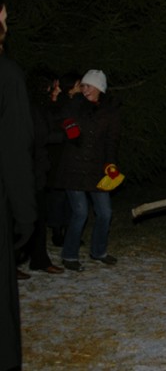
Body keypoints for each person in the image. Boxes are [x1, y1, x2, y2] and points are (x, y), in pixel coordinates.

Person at [55, 69, 122, 271]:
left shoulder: (110, 112)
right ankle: (69, 255)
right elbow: (60, 116)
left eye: (88, 86)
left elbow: (112, 141)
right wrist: (68, 125)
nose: (84, 89)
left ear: (99, 88)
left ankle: (98, 251)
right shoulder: (74, 105)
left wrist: (110, 164)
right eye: (83, 85)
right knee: (80, 212)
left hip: (96, 168)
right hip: (73, 168)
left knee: (105, 213)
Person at [0, 2, 36, 371]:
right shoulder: (7, 75)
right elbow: (15, 147)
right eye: (5, 18)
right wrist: (25, 215)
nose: (7, 24)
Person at [18, 70, 65, 275]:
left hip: (38, 170)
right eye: (55, 86)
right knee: (24, 218)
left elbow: (51, 120)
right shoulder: (31, 107)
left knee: (39, 217)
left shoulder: (41, 107)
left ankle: (38, 259)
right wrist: (66, 135)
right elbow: (39, 136)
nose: (58, 89)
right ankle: (12, 262)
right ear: (45, 87)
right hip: (27, 170)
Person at [46, 71, 82, 247]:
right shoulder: (61, 105)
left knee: (70, 194)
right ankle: (57, 231)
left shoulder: (78, 103)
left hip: (70, 153)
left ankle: (69, 230)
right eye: (78, 83)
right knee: (58, 195)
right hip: (58, 154)